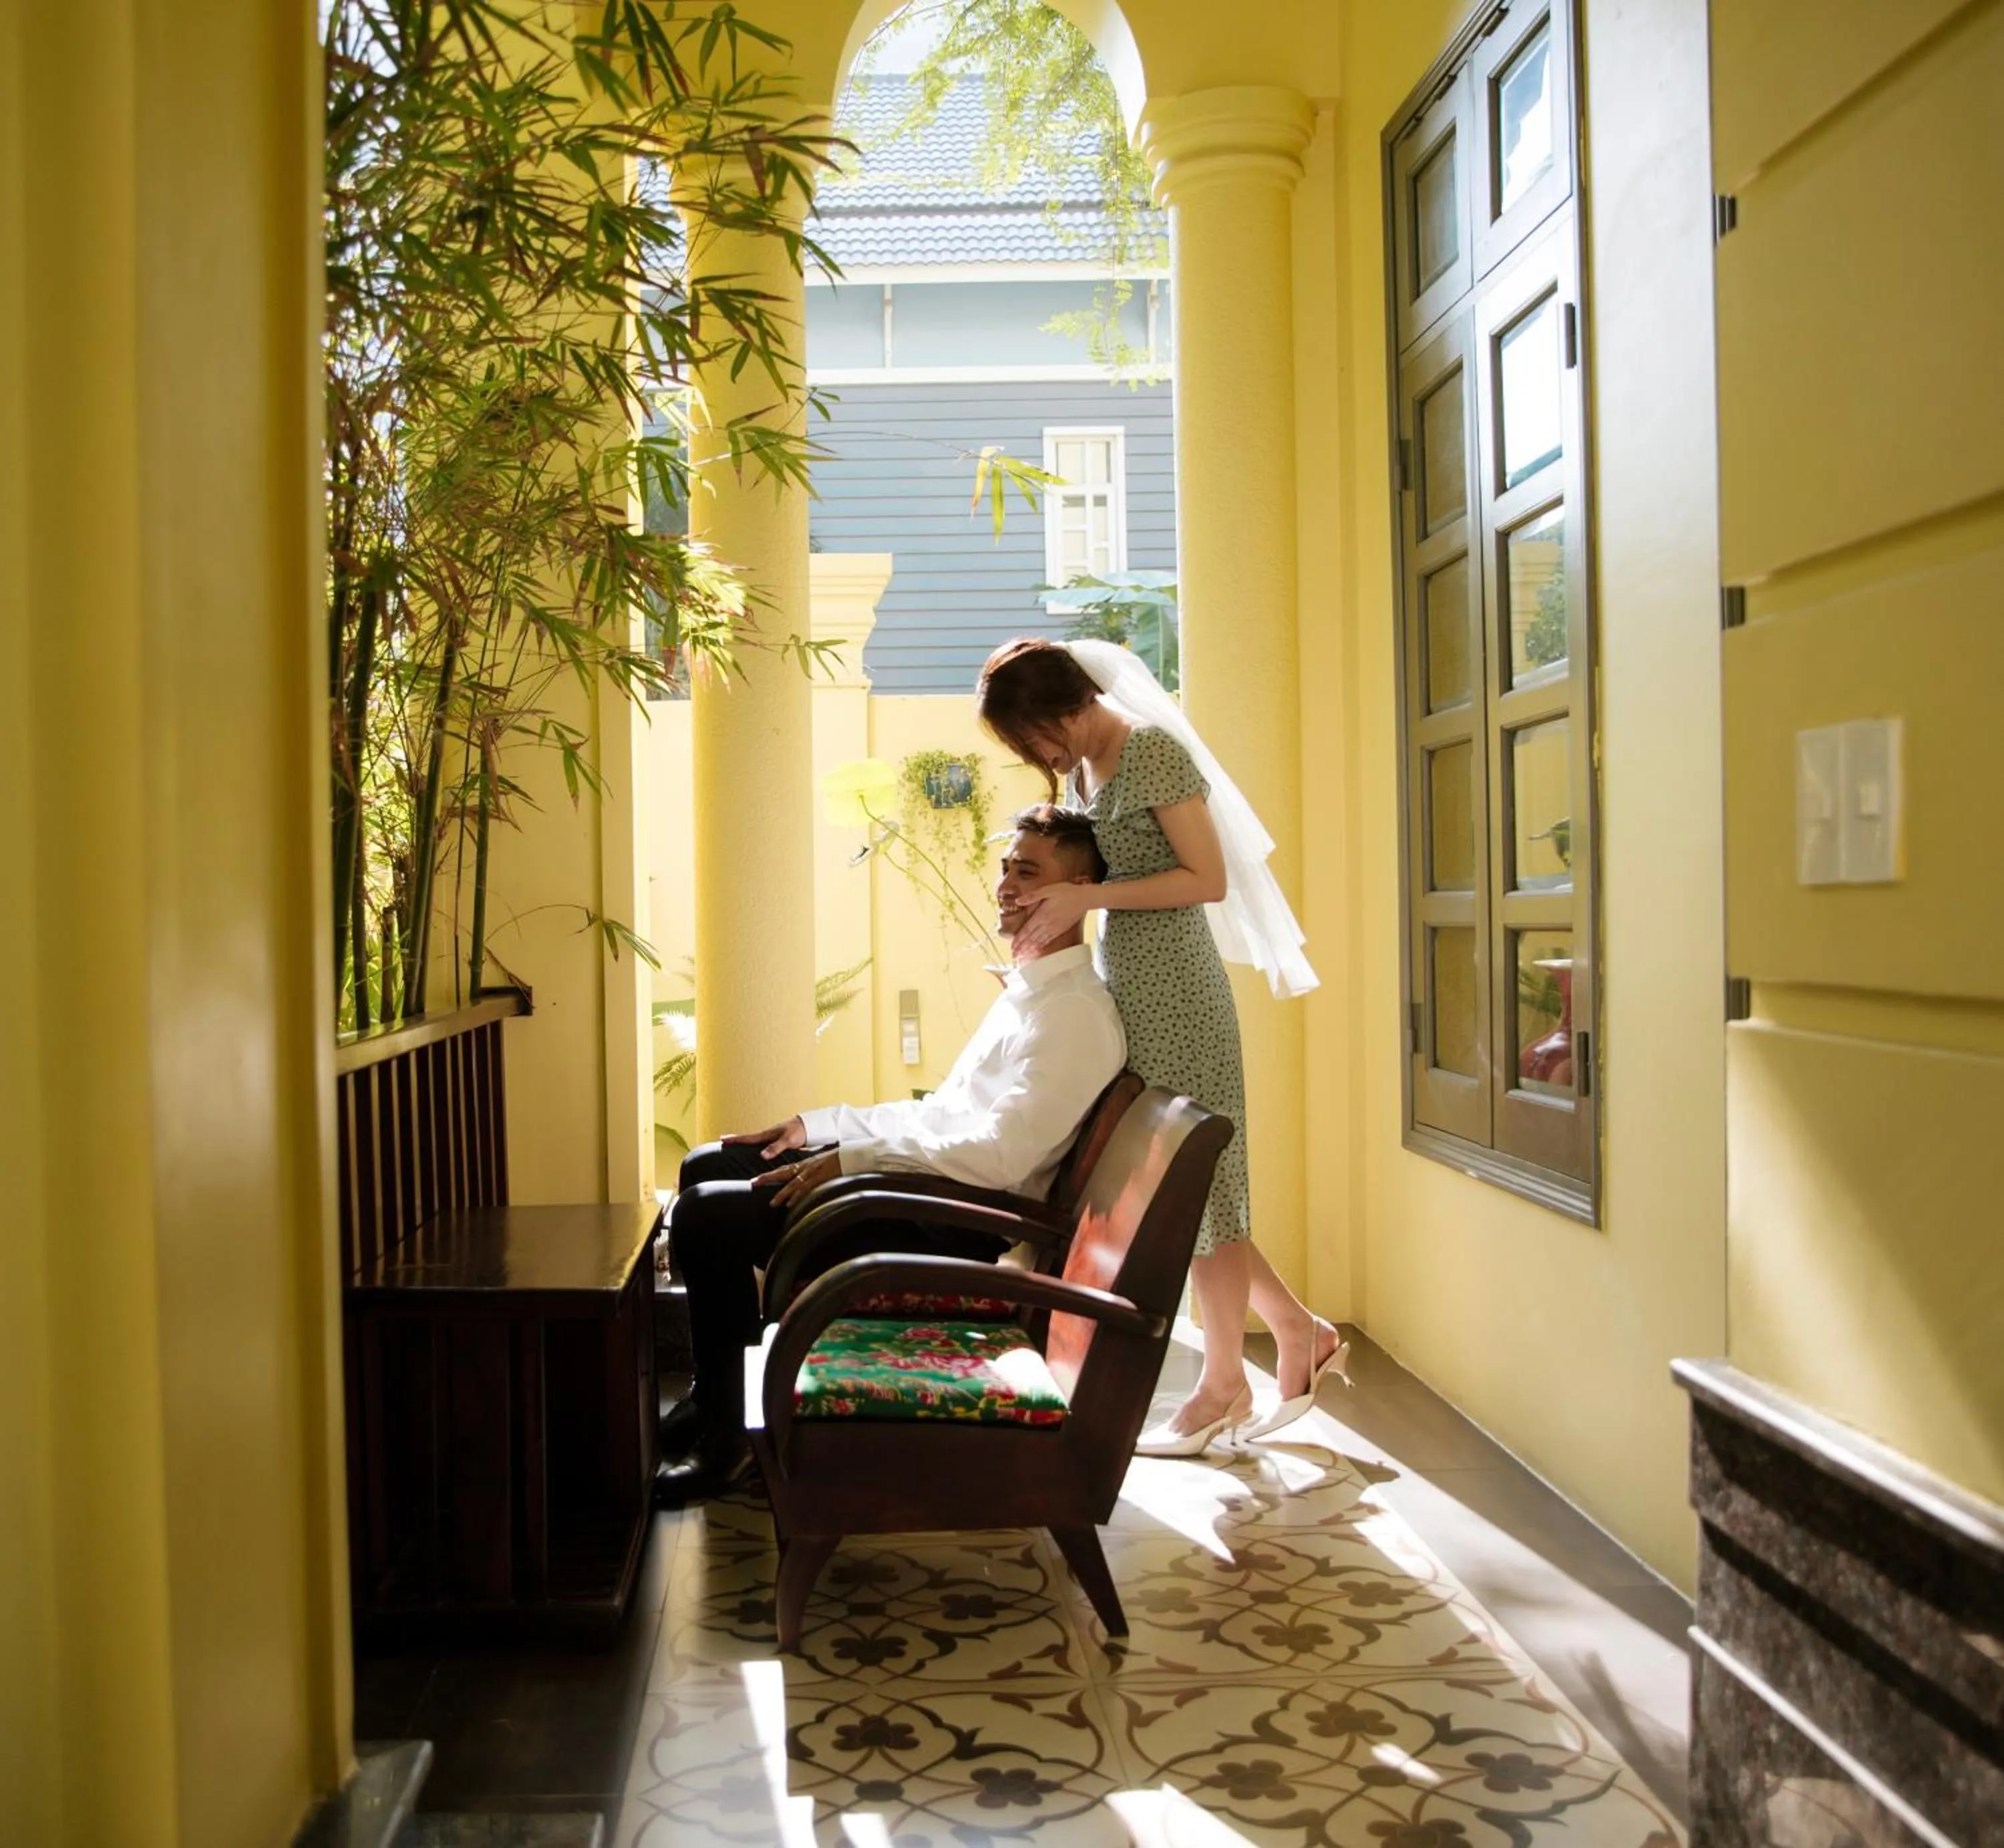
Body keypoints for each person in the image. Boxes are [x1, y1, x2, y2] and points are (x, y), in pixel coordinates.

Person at [654, 804, 1127, 1506]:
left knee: (704, 1217)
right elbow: (937, 1114)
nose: (1004, 886)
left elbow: (998, 1160)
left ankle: (730, 1440)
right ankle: (712, 1398)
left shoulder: (1075, 1018)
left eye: (1027, 873)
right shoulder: (1027, 997)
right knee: (708, 1165)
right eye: (1005, 868)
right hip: (930, 1192)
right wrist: (813, 1128)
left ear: (1081, 890)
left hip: (948, 1227)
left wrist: (850, 1161)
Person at [976, 637, 1346, 1456]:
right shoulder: (1086, 769)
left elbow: (1205, 878)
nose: (1038, 755)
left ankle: (1227, 1381)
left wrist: (1088, 893)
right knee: (1195, 1195)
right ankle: (1290, 1336)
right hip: (1132, 986)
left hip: (1180, 990)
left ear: (1065, 704)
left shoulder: (1150, 752)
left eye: (1034, 734)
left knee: (1198, 1194)